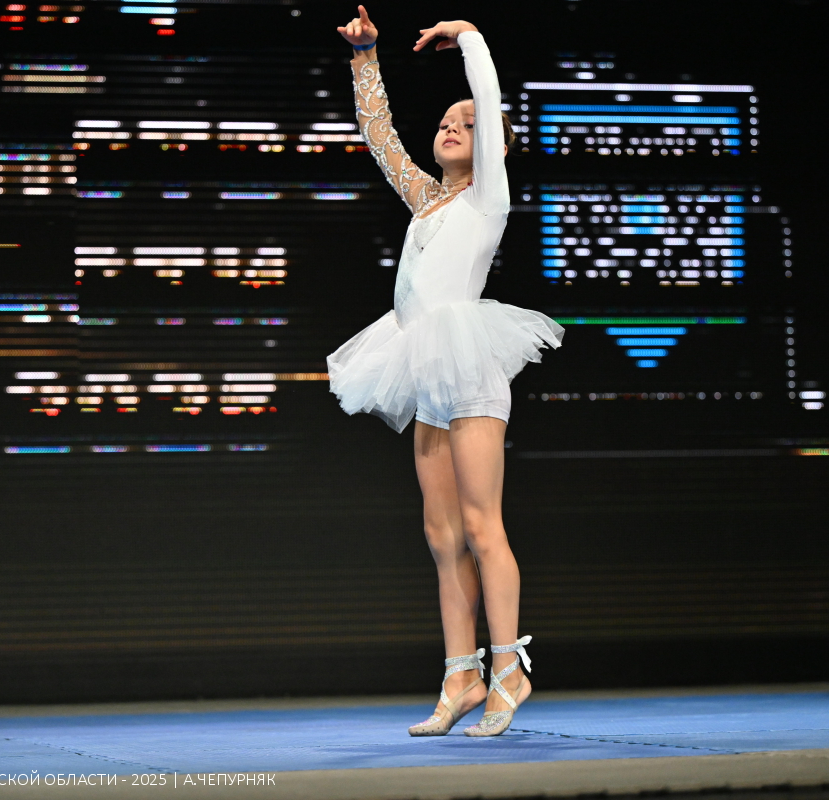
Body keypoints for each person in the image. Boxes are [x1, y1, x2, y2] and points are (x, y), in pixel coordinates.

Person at [328, 6, 563, 737]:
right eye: (446, 121)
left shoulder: (490, 195)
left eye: (469, 122)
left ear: (493, 143)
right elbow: (379, 138)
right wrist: (365, 59)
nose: (453, 126)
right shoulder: (427, 199)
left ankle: (509, 669)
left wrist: (468, 37)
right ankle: (461, 675)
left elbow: (486, 100)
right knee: (440, 534)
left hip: (468, 364)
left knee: (483, 525)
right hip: (423, 365)